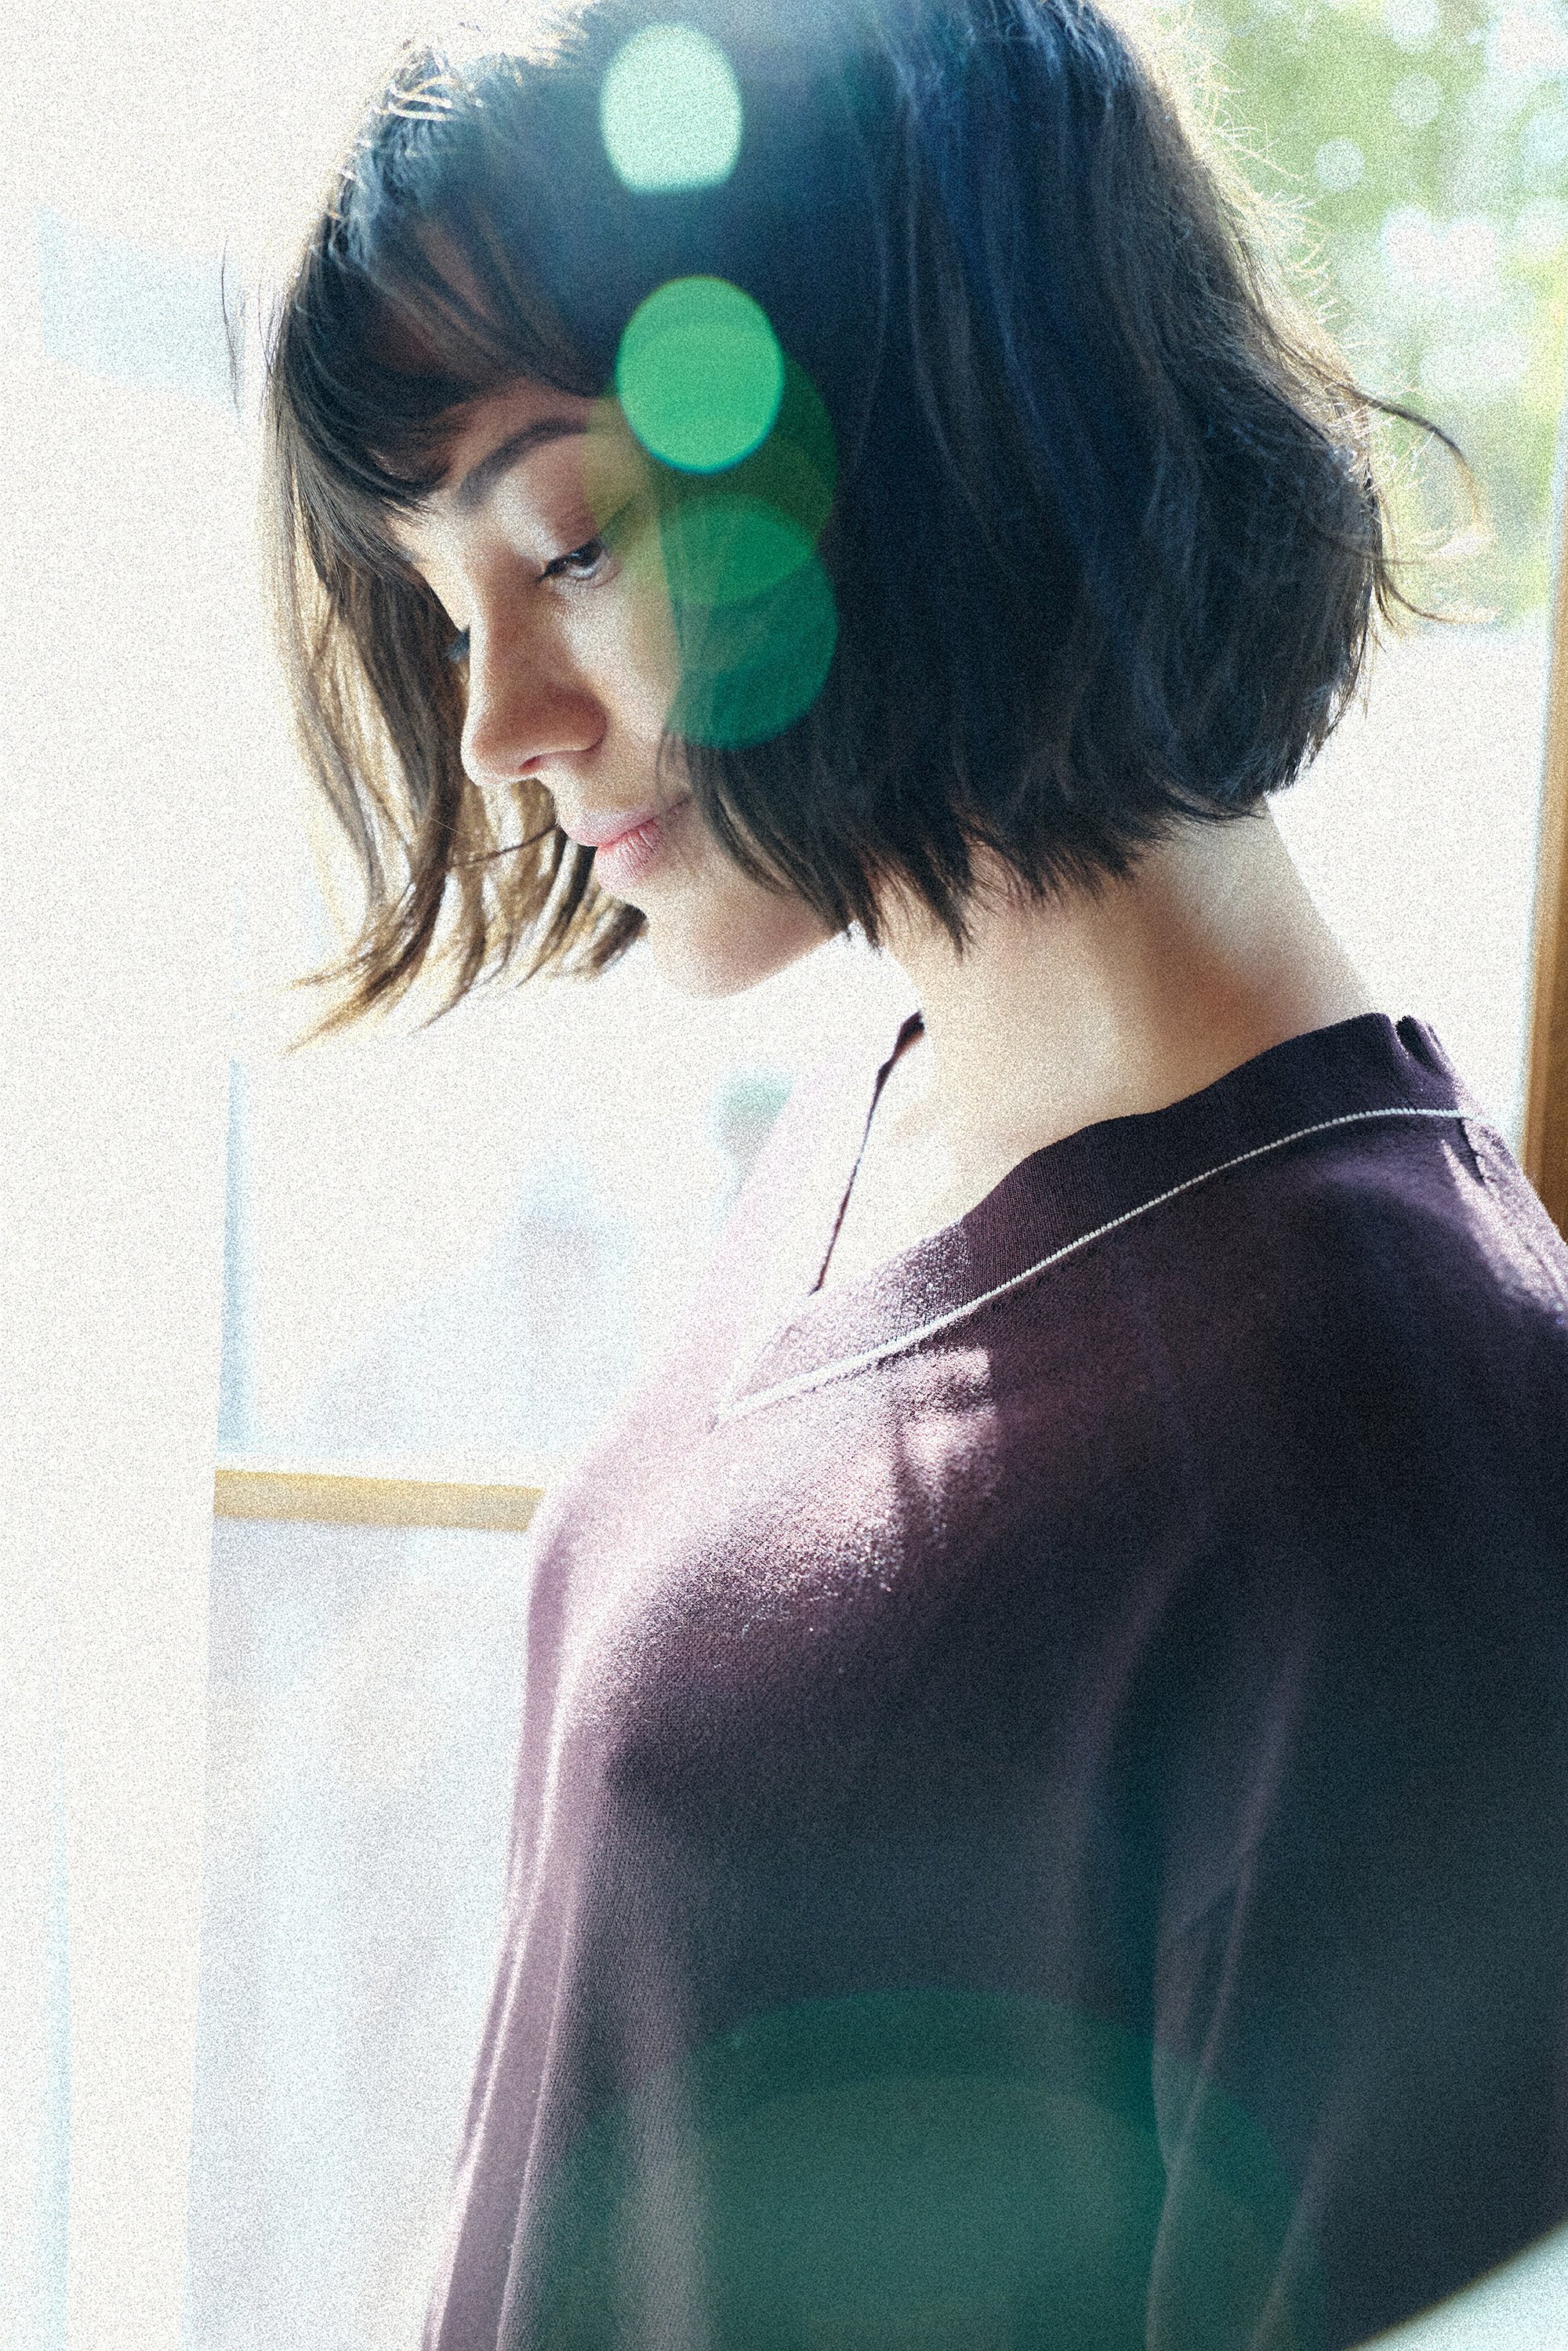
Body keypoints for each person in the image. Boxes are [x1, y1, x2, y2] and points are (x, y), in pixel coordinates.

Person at [261, 1, 1568, 2344]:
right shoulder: (887, 1115)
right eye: (448, 603)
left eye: (563, 547)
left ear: (915, 433)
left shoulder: (1412, 1445)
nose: (495, 735)